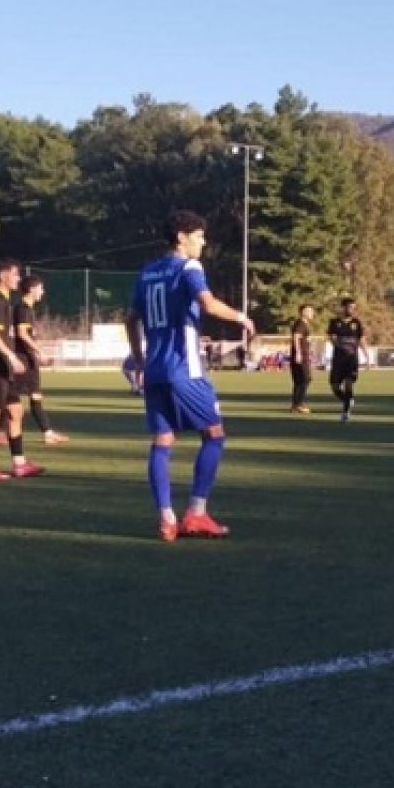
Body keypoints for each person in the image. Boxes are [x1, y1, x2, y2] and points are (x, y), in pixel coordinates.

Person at [126, 209, 255, 542]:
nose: (204, 242)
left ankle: (166, 518)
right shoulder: (189, 267)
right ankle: (197, 513)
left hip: (154, 370)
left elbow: (130, 318)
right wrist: (242, 318)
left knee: (162, 441)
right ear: (181, 237)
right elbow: (208, 304)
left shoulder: (147, 272)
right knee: (214, 435)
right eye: (198, 235)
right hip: (185, 369)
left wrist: (139, 360)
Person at [0, 259, 43, 482]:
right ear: (3, 275)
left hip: (4, 368)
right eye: (15, 274)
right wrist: (11, 356)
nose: (18, 279)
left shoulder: (4, 299)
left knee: (15, 411)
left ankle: (20, 464)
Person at [12, 275, 69, 445]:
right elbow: (22, 334)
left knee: (29, 395)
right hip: (24, 360)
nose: (43, 292)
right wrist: (40, 352)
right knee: (16, 397)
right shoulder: (22, 309)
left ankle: (47, 432)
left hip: (27, 358)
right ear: (32, 289)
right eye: (41, 288)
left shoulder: (27, 309)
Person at [327, 297, 370, 422]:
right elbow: (332, 338)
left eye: (354, 308)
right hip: (338, 359)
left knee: (348, 383)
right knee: (335, 386)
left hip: (351, 359)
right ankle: (348, 400)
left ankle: (345, 413)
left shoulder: (357, 323)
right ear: (343, 307)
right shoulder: (334, 322)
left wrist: (367, 356)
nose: (352, 310)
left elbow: (361, 340)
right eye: (349, 307)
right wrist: (341, 346)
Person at [289, 303, 315, 414]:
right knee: (305, 378)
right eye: (309, 311)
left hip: (304, 355)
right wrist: (298, 353)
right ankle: (299, 404)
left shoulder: (305, 324)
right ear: (303, 312)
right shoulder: (301, 323)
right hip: (301, 356)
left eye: (312, 311)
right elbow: (296, 337)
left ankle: (296, 404)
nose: (312, 313)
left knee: (300, 380)